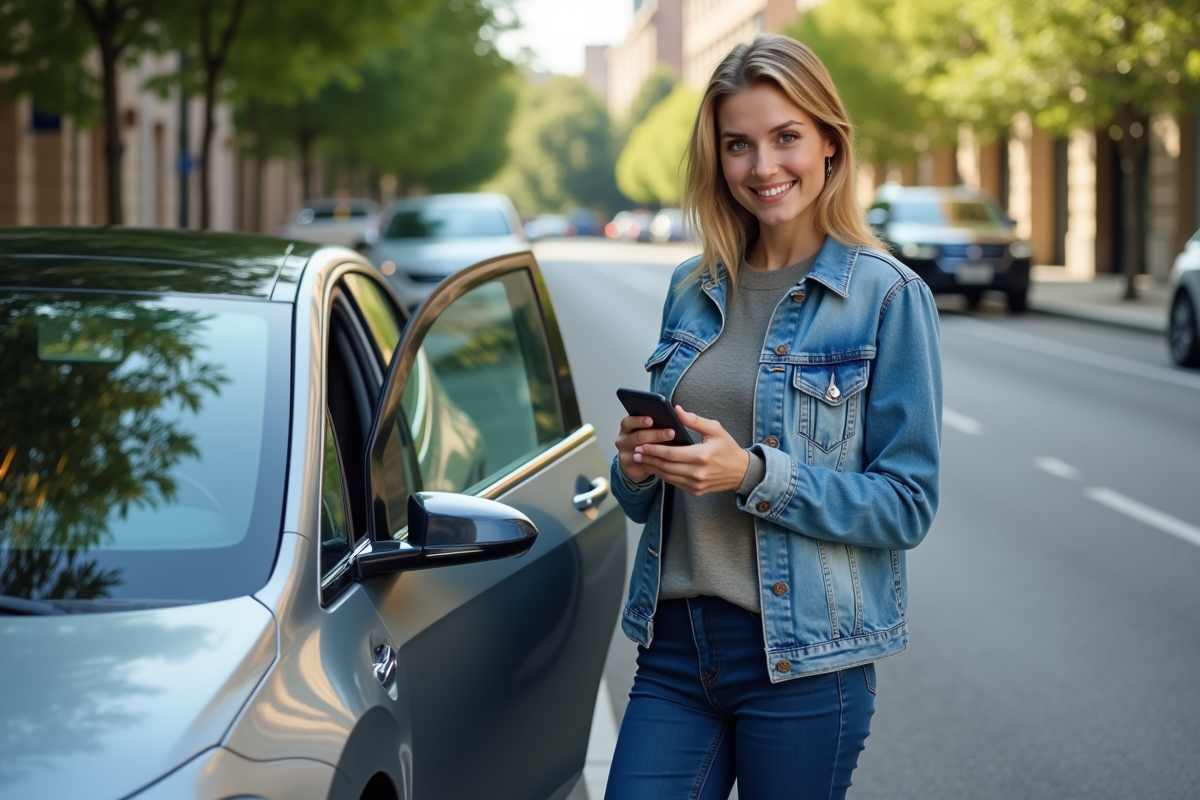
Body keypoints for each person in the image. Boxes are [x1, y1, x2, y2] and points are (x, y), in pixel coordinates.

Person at [606, 33, 942, 799]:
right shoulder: (693, 287)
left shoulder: (886, 297)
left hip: (803, 662)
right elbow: (642, 501)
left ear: (829, 142)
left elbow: (908, 504)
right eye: (738, 145)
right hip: (675, 649)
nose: (763, 168)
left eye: (786, 137)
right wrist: (637, 464)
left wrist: (754, 475)